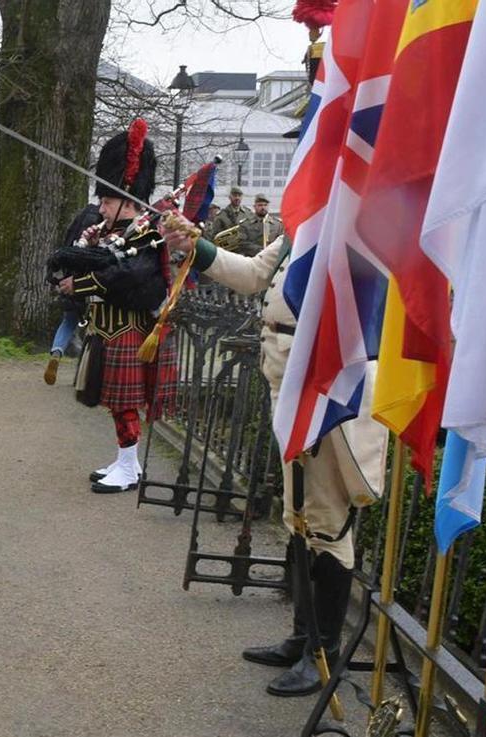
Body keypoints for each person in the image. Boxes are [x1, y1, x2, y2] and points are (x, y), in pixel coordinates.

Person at [160, 212, 388, 697]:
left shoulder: (362, 224)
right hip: (286, 381)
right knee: (298, 516)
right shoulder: (307, 223)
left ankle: (323, 654)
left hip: (327, 385)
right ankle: (303, 636)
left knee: (326, 521)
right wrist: (193, 246)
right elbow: (254, 276)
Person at [57, 118, 177, 494]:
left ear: (127, 197)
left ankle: (128, 467)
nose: (102, 207)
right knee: (112, 402)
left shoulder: (144, 234)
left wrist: (82, 281)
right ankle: (126, 460)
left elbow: (129, 277)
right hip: (103, 328)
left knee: (124, 403)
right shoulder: (105, 232)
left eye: (107, 201)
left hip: (128, 329)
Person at [45, 203, 103, 385]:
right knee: (93, 329)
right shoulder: (101, 225)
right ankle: (83, 371)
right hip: (90, 282)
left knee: (68, 322)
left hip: (70, 281)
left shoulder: (78, 224)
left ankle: (56, 352)